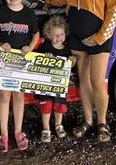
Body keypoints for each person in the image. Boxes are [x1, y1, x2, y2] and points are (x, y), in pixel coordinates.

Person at [44, 0, 116, 143]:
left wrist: (99, 37)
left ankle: (102, 123)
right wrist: (48, 1)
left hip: (98, 36)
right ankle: (88, 120)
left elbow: (115, 7)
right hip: (76, 35)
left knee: (97, 82)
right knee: (83, 81)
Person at [0, 0, 40, 152]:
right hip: (4, 60)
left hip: (21, 61)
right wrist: (0, 45)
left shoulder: (28, 13)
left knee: (19, 96)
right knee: (3, 97)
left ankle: (18, 131)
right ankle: (4, 134)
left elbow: (36, 34)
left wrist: (30, 47)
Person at [36, 15, 76, 143]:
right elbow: (35, 62)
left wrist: (72, 62)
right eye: (55, 35)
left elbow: (70, 68)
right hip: (45, 85)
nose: (59, 37)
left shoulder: (67, 50)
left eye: (61, 34)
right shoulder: (45, 47)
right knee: (45, 106)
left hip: (59, 85)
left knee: (59, 105)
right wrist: (44, 56)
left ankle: (59, 125)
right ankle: (46, 129)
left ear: (65, 34)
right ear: (48, 34)